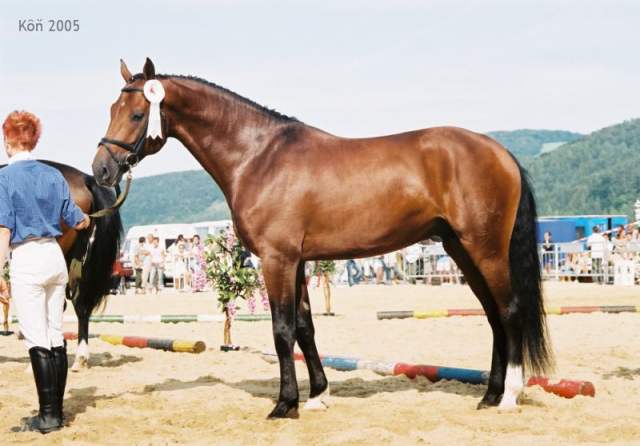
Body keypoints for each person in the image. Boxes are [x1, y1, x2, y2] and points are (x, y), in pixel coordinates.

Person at [0, 111, 90, 433]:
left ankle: (47, 416)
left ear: (7, 139)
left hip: (27, 258)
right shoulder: (53, 175)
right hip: (54, 257)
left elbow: (4, 229)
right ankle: (57, 411)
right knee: (55, 334)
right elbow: (77, 219)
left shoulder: (4, 178)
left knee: (36, 337)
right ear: (34, 140)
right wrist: (86, 220)